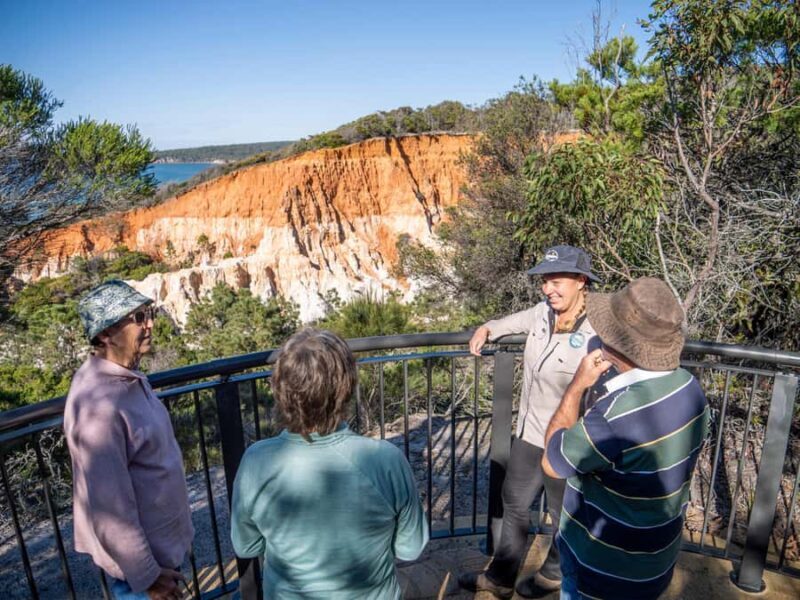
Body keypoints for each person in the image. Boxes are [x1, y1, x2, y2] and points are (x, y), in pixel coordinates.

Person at [542, 277, 710, 599]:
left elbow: (552, 462)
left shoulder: (613, 415)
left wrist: (577, 386)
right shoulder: (690, 388)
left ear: (613, 342)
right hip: (655, 562)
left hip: (602, 571)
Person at [230, 328, 429, 599]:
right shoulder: (386, 460)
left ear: (280, 389)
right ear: (346, 387)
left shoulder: (256, 461)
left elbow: (246, 545)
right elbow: (411, 547)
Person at [459, 245, 602, 599]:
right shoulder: (541, 314)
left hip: (567, 441)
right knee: (514, 502)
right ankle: (501, 578)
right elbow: (506, 323)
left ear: (581, 281)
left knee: (562, 514)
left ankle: (553, 573)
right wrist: (485, 329)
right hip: (530, 433)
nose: (548, 288)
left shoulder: (598, 329)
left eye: (556, 280)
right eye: (544, 281)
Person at [64, 280, 193, 600]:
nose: (149, 324)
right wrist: (148, 577)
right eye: (137, 318)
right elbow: (110, 509)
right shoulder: (100, 407)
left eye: (148, 314)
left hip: (161, 557)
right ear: (105, 334)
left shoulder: (125, 378)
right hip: (143, 575)